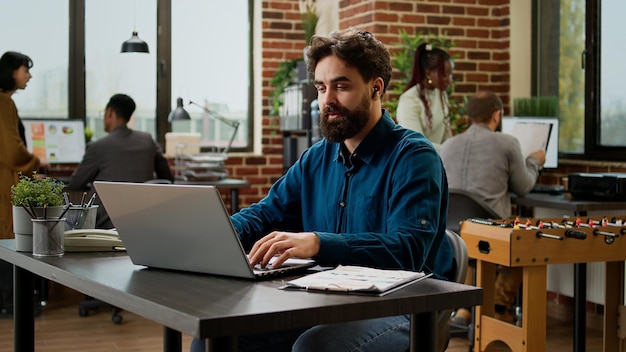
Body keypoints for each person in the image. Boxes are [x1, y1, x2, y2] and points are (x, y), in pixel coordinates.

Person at [190, 28, 453, 352]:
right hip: (326, 299)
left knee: (316, 347)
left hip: (403, 307)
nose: (326, 100)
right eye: (320, 87)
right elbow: (267, 213)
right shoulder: (317, 157)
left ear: (376, 87)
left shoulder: (414, 156)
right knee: (212, 338)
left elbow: (407, 251)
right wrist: (211, 233)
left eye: (341, 86)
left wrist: (317, 243)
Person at [439, 90, 546, 325]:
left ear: (469, 116)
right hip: (491, 228)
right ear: (496, 115)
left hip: (456, 232)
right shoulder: (507, 142)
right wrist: (535, 160)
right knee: (530, 244)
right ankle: (498, 307)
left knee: (470, 245)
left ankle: (466, 309)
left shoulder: (447, 145)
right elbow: (524, 186)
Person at [68, 93, 173, 229]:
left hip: (107, 226)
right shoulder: (148, 141)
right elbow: (167, 178)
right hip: (143, 222)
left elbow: (75, 183)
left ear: (110, 112)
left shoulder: (98, 146)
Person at [396, 43, 454, 151]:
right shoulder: (409, 100)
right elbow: (417, 144)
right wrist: (450, 151)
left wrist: (453, 149)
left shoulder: (441, 95)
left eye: (450, 74)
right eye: (444, 75)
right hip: (418, 161)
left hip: (441, 159)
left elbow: (447, 134)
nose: (449, 79)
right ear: (428, 73)